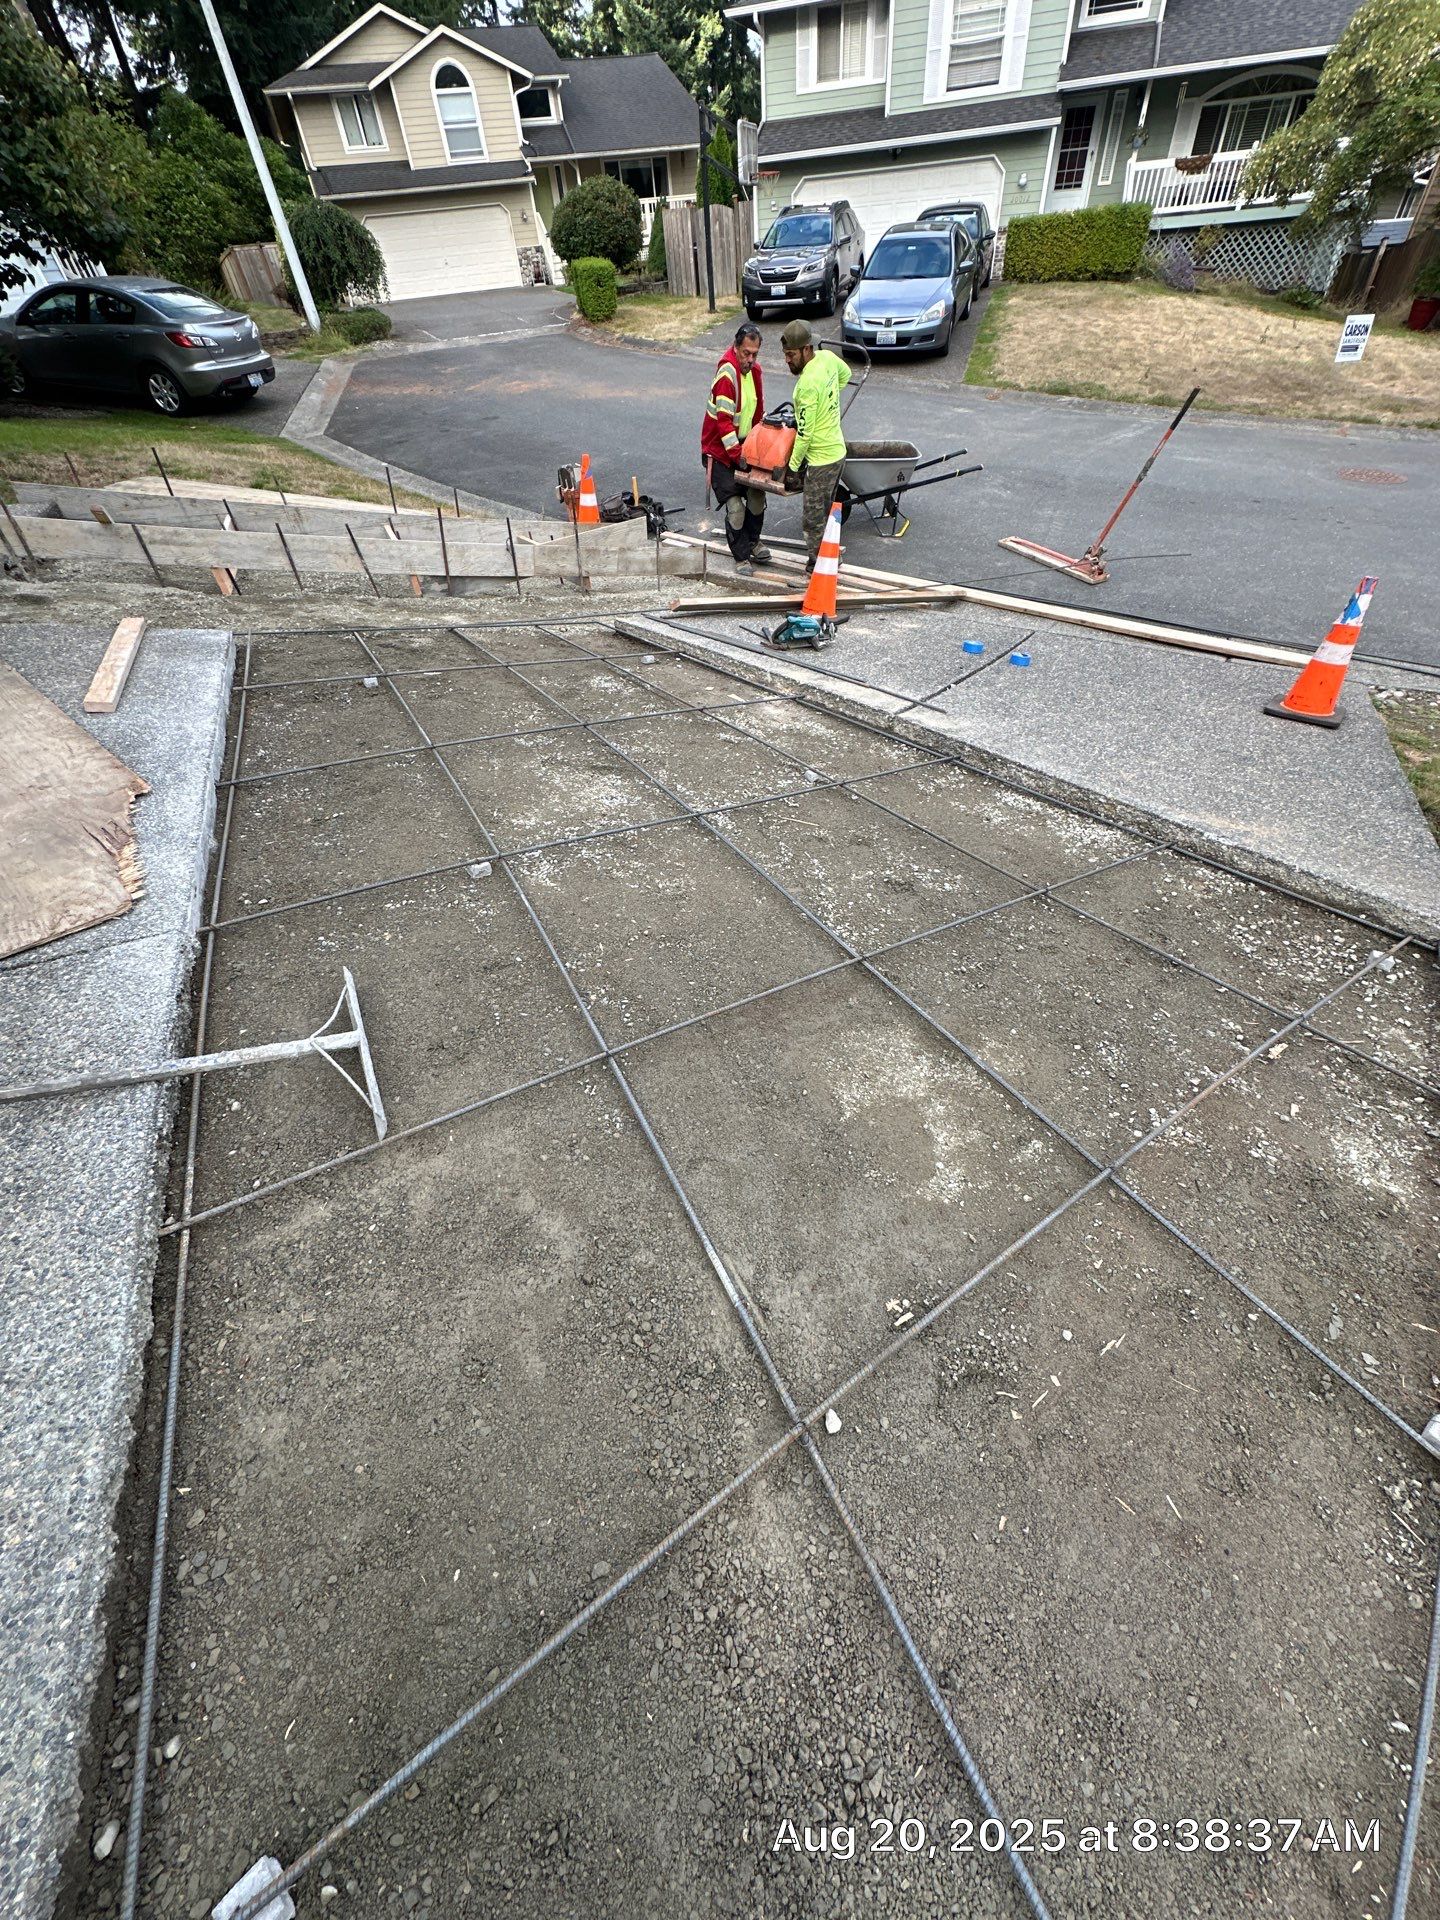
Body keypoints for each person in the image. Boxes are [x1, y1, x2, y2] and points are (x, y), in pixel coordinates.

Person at [780, 319, 851, 568]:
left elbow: (805, 434)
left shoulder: (806, 385)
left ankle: (820, 568)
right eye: (785, 355)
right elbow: (846, 376)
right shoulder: (829, 359)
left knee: (813, 519)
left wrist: (793, 466)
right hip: (838, 453)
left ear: (807, 349)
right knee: (828, 511)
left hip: (821, 461)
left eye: (791, 355)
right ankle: (830, 559)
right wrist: (829, 401)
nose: (788, 360)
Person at [701, 323, 771, 571]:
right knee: (735, 507)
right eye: (746, 353)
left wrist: (757, 450)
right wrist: (737, 456)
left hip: (743, 448)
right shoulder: (726, 376)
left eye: (754, 354)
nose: (750, 360)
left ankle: (753, 542)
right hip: (719, 452)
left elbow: (757, 414)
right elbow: (723, 424)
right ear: (736, 347)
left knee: (756, 495)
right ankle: (741, 556)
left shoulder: (756, 373)